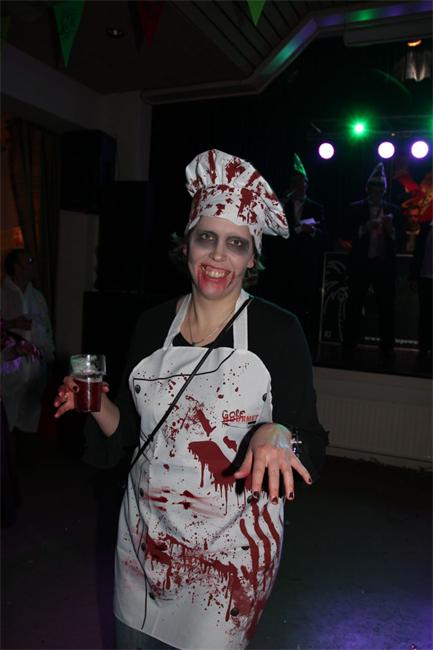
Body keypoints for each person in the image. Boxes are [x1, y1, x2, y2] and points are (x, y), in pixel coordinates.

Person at [54, 149, 328, 650]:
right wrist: (95, 405)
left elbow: (308, 437)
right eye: (206, 238)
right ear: (187, 246)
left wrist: (277, 433)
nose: (218, 256)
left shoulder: (278, 331)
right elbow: (133, 435)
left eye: (236, 244)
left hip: (228, 561)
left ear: (252, 257)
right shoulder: (151, 324)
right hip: (142, 544)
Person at [261, 153, 327, 355]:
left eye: (301, 183)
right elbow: (274, 234)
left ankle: (304, 343)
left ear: (307, 185)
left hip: (305, 265)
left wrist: (311, 231)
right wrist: (297, 229)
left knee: (303, 303)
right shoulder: (282, 206)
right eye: (294, 183)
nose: (297, 186)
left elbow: (324, 235)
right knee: (283, 302)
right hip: (284, 264)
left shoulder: (316, 208)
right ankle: (279, 341)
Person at [339, 162, 401, 362]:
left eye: (381, 188)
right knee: (355, 304)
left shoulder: (393, 210)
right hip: (361, 264)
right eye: (374, 187)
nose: (378, 191)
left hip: (384, 266)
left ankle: (387, 347)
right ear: (368, 188)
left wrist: (391, 230)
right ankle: (349, 344)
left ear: (385, 190)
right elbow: (345, 235)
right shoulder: (356, 209)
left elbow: (400, 241)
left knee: (386, 306)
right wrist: (365, 228)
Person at [1, 249, 55, 432]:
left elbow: (47, 331)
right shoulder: (2, 295)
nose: (33, 266)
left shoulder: (37, 298)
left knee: (30, 429)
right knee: (6, 426)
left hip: (34, 379)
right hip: (8, 377)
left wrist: (50, 358)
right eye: (29, 262)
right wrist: (12, 323)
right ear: (17, 267)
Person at [409, 218, 432, 366]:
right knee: (425, 315)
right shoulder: (425, 227)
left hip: (426, 277)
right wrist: (413, 276)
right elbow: (418, 253)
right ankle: (423, 348)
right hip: (425, 277)